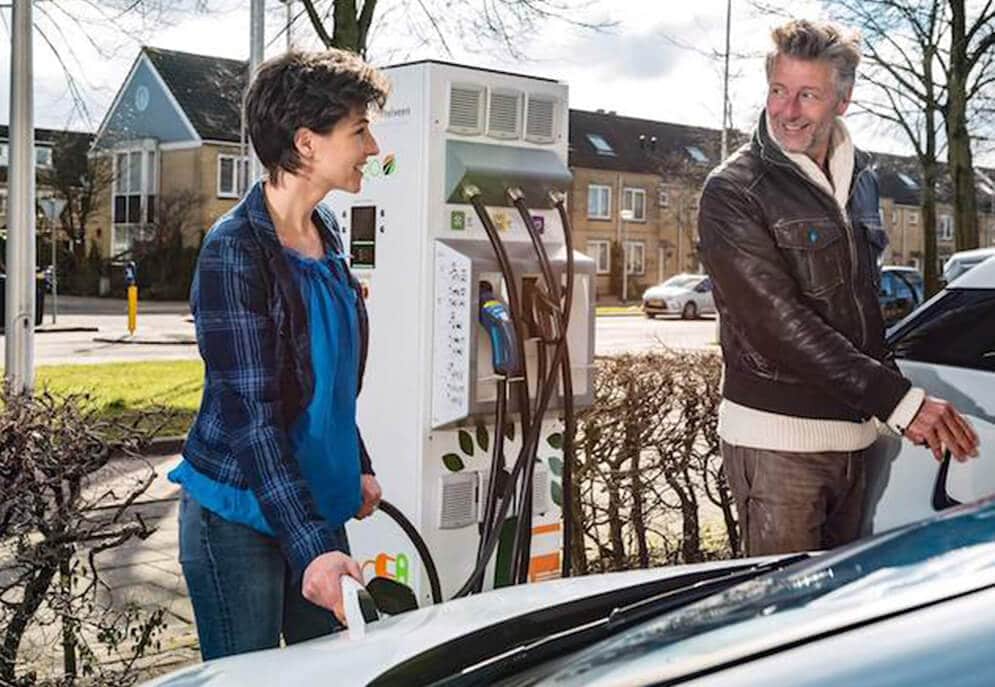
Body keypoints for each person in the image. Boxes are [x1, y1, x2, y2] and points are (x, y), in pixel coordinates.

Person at [697, 19, 980, 557]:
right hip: (778, 445)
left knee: (835, 626)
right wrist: (900, 401)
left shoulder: (863, 180)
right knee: (781, 625)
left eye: (808, 95)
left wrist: (892, 404)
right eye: (778, 91)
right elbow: (777, 324)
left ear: (843, 101)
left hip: (855, 440)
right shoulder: (734, 189)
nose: (786, 110)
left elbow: (862, 310)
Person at [168, 49, 389, 660]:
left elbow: (329, 378)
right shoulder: (234, 250)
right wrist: (313, 548)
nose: (372, 147)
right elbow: (252, 417)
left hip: (313, 501)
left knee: (333, 669)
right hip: (240, 511)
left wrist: (356, 462)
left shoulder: (329, 233)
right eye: (359, 130)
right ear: (306, 142)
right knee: (253, 675)